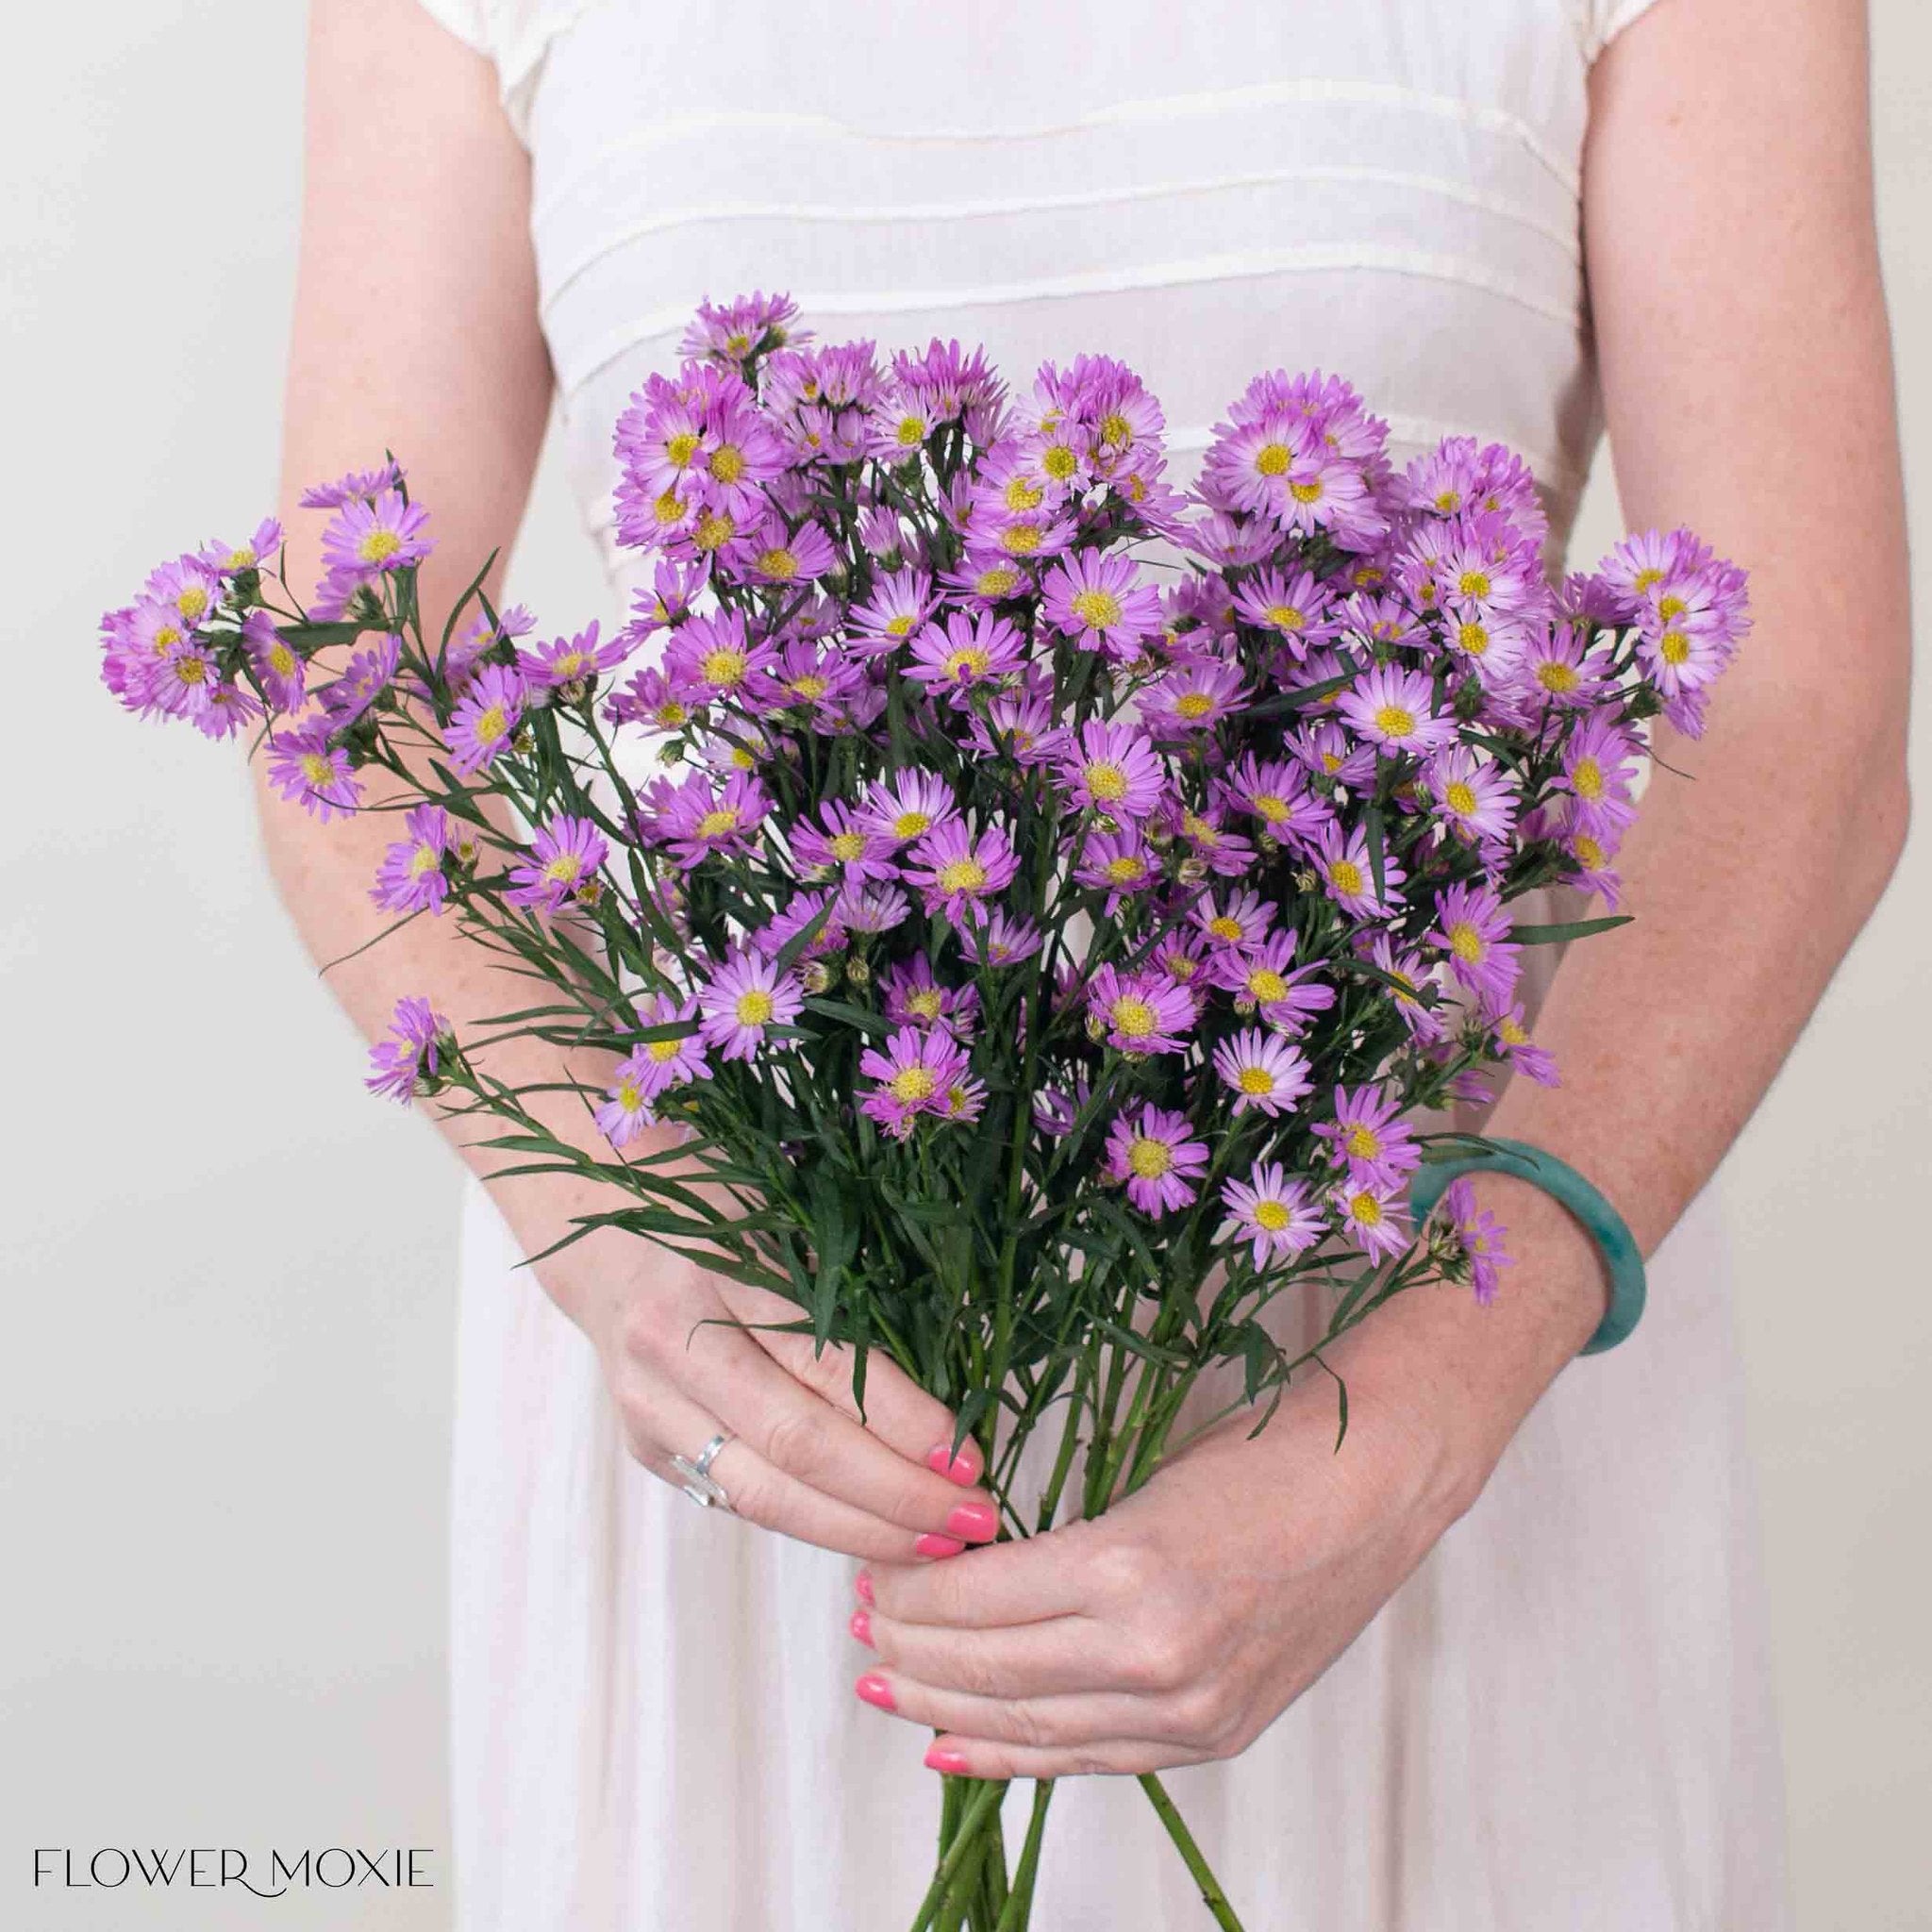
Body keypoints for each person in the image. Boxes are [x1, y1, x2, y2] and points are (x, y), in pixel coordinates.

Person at [261, 1, 1909, 1924]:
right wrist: (627, 1243)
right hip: (779, 1329)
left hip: (1415, 1301)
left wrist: (1415, 1423)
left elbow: (1799, 710)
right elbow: (338, 693)